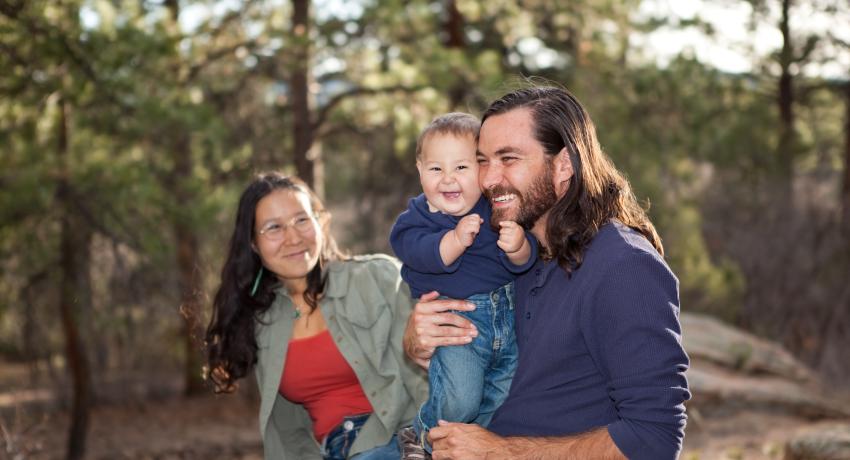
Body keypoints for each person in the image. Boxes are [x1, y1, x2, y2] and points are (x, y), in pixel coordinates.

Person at [403, 86, 691, 460]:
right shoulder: (507, 250)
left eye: (508, 159)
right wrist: (419, 341)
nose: (489, 179)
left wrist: (500, 453)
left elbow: (654, 437)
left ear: (564, 165)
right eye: (482, 161)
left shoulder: (623, 266)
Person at [205, 173, 428, 460]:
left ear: (319, 222)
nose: (293, 238)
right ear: (252, 244)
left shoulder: (378, 277)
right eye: (274, 228)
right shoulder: (262, 323)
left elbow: (431, 374)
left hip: (402, 442)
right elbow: (289, 432)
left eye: (301, 220)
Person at [388, 113, 537, 458]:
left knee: (500, 396)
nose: (448, 179)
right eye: (436, 169)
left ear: (482, 172)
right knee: (461, 398)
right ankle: (423, 434)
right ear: (419, 169)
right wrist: (454, 239)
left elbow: (523, 262)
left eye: (462, 168)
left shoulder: (495, 210)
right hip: (459, 326)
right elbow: (424, 254)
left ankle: (460, 447)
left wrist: (518, 247)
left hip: (507, 320)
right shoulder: (416, 220)